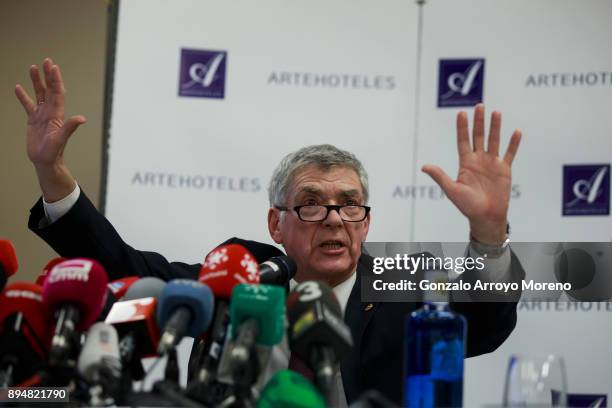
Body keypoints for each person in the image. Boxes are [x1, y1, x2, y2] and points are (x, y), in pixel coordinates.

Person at [16, 58, 524, 405]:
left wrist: (487, 230)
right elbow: (128, 271)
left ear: (366, 223)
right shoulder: (243, 277)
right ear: (274, 223)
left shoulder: (406, 289)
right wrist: (53, 176)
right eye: (309, 204)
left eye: (349, 206)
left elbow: (484, 325)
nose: (332, 217)